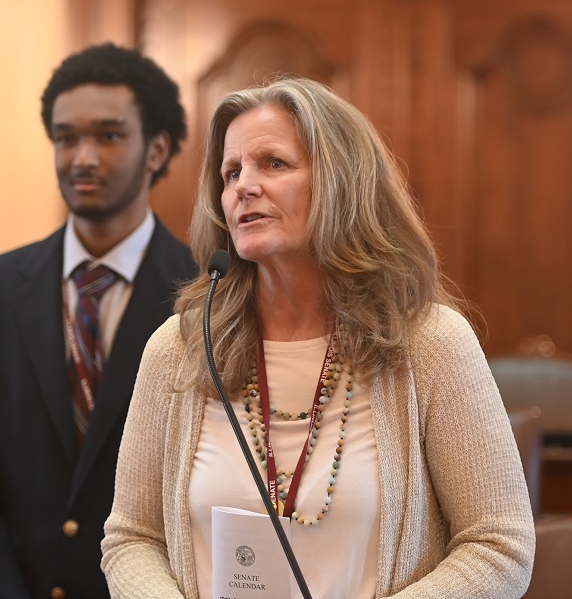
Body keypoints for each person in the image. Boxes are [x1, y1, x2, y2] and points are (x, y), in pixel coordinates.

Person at [102, 78, 535, 599]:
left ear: (340, 182)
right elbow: (132, 538)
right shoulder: (180, 350)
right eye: (232, 172)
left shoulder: (431, 344)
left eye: (274, 164)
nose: (244, 186)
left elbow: (499, 544)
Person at [0, 43, 198, 599]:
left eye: (108, 136)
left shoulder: (205, 294)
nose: (82, 157)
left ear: (156, 149)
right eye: (65, 137)